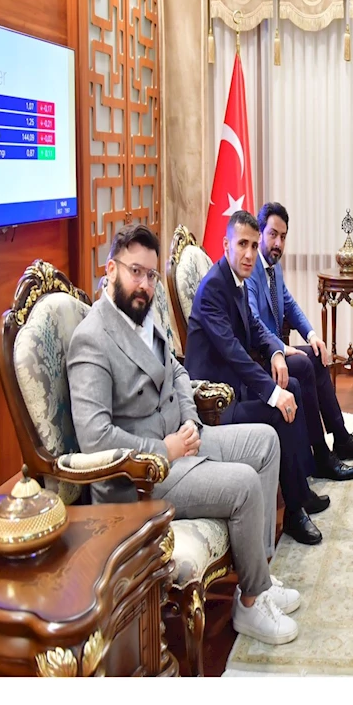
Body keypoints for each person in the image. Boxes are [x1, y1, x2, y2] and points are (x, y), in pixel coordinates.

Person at [68, 223, 301, 646]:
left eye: (150, 275)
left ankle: (260, 577)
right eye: (135, 272)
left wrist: (191, 420)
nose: (144, 284)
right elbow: (95, 438)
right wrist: (165, 449)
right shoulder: (91, 340)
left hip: (182, 439)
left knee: (266, 442)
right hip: (142, 475)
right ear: (111, 270)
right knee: (245, 484)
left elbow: (177, 370)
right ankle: (250, 605)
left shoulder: (142, 317)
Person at [184, 210, 328, 546]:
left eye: (253, 245)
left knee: (292, 386)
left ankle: (299, 493)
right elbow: (233, 352)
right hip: (214, 403)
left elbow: (256, 329)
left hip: (233, 388)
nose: (249, 253)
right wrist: (273, 394)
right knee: (280, 405)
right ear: (226, 245)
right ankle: (294, 511)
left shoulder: (235, 281)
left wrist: (277, 351)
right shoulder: (214, 289)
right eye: (242, 245)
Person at [246, 201, 353, 463]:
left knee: (316, 354)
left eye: (283, 237)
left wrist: (312, 335)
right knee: (305, 364)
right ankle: (321, 454)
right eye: (273, 234)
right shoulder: (249, 269)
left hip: (277, 350)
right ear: (259, 234)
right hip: (260, 356)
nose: (278, 243)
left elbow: (289, 304)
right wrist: (280, 349)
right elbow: (253, 323)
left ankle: (341, 438)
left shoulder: (274, 266)